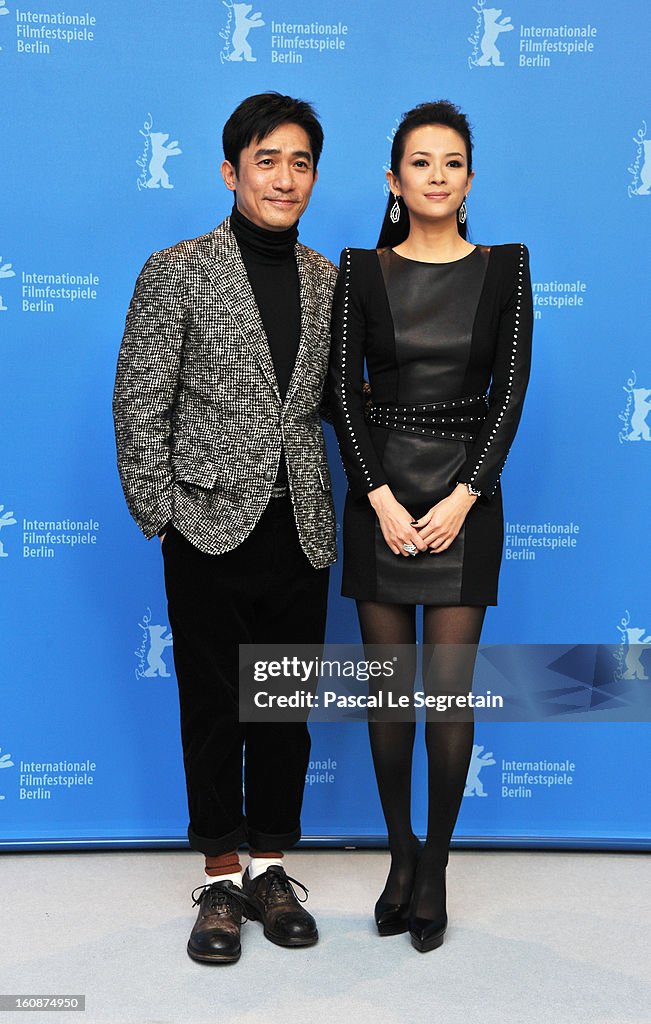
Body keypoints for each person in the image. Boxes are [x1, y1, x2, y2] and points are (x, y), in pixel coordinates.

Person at [113, 92, 337, 964]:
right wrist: (159, 510)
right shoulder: (176, 269)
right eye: (267, 159)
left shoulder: (327, 280)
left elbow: (331, 406)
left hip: (301, 527)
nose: (285, 177)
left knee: (282, 710)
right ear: (231, 170)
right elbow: (139, 399)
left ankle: (271, 869)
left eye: (301, 162)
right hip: (205, 525)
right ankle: (217, 876)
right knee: (212, 708)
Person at [329, 100, 533, 952]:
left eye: (452, 162)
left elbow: (509, 391)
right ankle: (399, 855)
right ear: (393, 179)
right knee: (389, 701)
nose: (437, 176)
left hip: (464, 500)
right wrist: (379, 498)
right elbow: (342, 394)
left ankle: (437, 861)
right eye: (420, 162)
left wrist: (462, 498)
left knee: (445, 697)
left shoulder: (506, 267)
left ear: (469, 179)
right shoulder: (359, 270)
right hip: (380, 499)